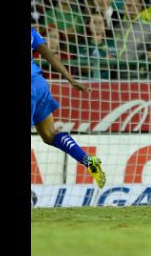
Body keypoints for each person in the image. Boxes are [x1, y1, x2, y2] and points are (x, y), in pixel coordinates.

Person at [31, 27, 106, 188]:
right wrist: (71, 80)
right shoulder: (31, 31)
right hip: (39, 84)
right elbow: (49, 54)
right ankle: (88, 161)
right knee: (50, 135)